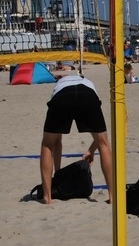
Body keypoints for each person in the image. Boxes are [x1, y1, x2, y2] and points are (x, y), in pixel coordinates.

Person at [39, 75, 113, 204]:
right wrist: (91, 150)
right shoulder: (89, 82)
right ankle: (113, 195)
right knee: (104, 143)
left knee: (47, 144)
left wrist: (58, 172)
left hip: (62, 96)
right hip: (87, 95)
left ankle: (47, 196)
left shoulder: (59, 84)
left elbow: (56, 142)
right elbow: (100, 137)